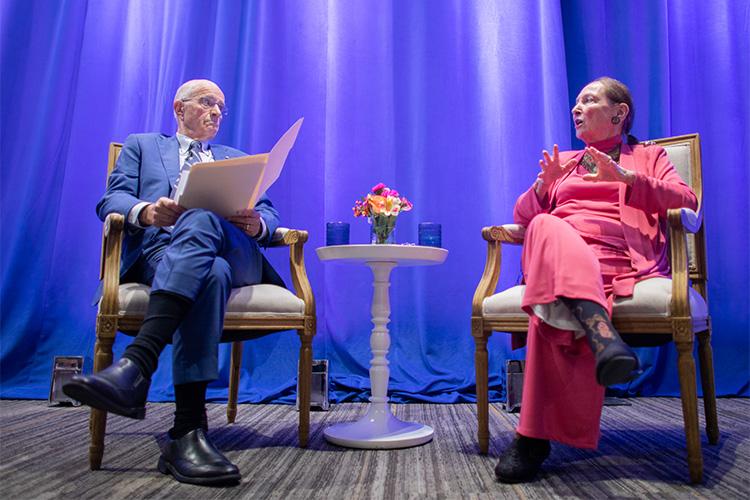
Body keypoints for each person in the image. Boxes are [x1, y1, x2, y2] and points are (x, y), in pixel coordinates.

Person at [64, 79, 283, 486]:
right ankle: (187, 433)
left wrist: (259, 224)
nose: (216, 112)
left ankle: (137, 363)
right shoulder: (142, 146)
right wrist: (147, 212)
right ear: (179, 108)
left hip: (237, 252)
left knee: (200, 220)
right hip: (161, 255)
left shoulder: (237, 158)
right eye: (206, 103)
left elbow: (269, 213)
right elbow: (111, 201)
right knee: (209, 274)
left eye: (221, 107)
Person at [494, 77, 698, 483]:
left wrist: (628, 179)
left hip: (618, 261)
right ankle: (602, 335)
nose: (576, 108)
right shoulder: (566, 161)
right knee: (546, 225)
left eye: (588, 100)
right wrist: (542, 186)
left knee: (550, 306)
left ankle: (532, 438)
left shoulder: (648, 156)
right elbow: (522, 218)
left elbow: (686, 201)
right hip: (557, 253)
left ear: (619, 113)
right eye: (576, 101)